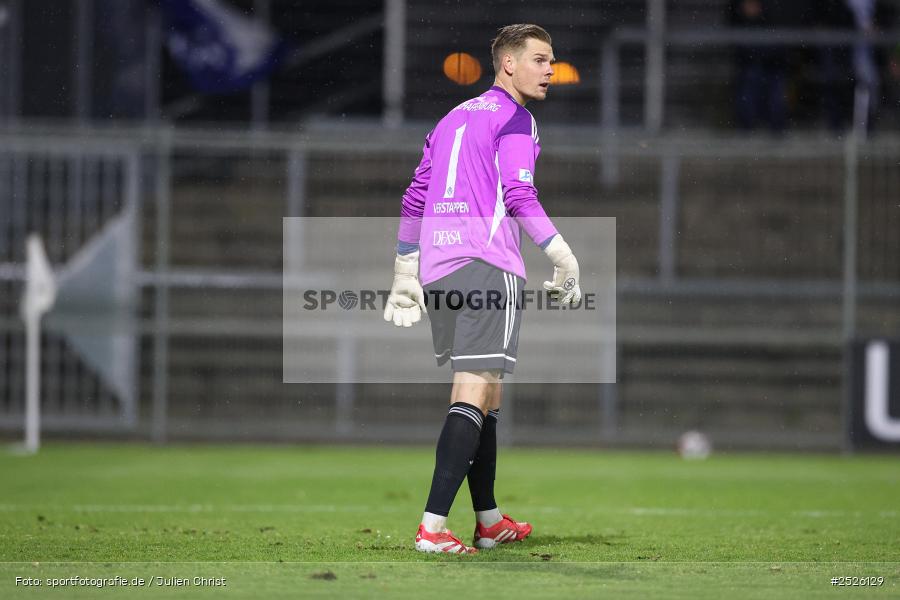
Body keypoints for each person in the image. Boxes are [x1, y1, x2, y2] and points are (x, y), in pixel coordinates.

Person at [383, 24, 582, 554]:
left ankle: (488, 520)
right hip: (487, 264)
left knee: (487, 394)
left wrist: (405, 270)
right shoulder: (516, 118)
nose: (550, 71)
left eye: (552, 61)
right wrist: (561, 253)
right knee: (474, 390)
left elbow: (415, 195)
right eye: (540, 60)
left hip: (440, 266)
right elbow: (518, 192)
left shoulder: (451, 118)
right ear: (508, 64)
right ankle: (432, 528)